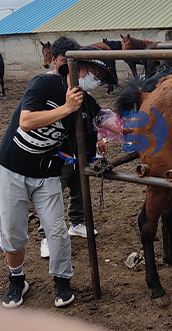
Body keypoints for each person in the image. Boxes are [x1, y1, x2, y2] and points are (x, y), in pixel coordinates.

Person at [0, 36, 116, 309]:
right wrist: (66, 109)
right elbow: (26, 121)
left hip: (47, 171)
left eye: (98, 76)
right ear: (72, 66)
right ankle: (17, 279)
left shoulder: (84, 100)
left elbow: (105, 120)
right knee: (13, 233)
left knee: (57, 230)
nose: (95, 79)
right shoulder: (44, 84)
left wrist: (147, 128)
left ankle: (62, 279)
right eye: (92, 72)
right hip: (12, 168)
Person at [38, 40, 109, 258]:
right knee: (52, 195)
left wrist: (99, 138)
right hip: (58, 154)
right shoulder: (49, 87)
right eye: (65, 62)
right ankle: (46, 236)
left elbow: (95, 116)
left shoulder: (82, 92)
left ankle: (77, 223)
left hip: (81, 153)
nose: (73, 68)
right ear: (55, 61)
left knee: (79, 188)